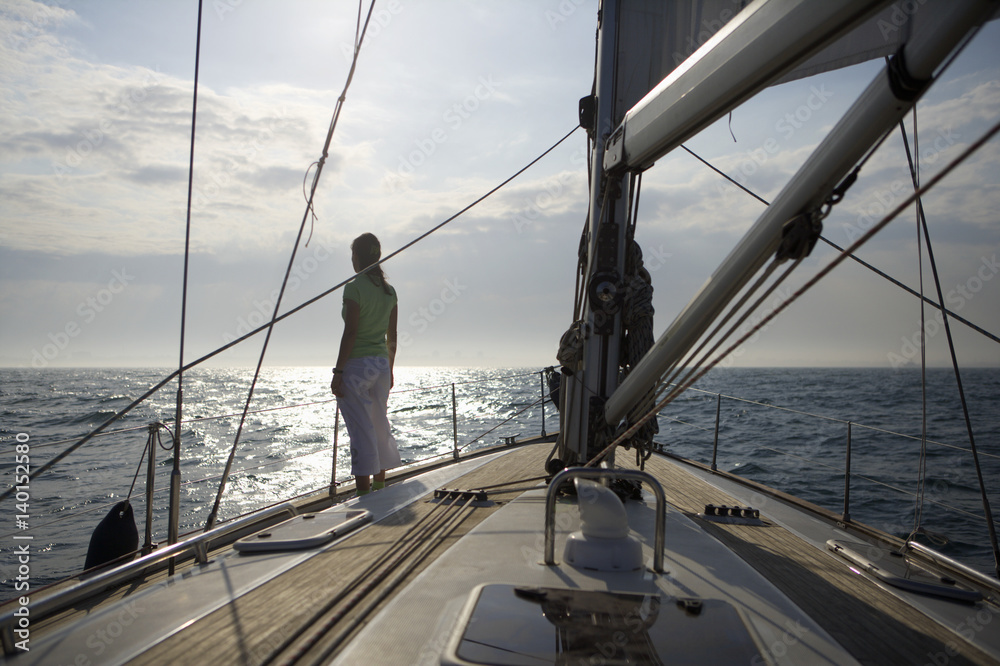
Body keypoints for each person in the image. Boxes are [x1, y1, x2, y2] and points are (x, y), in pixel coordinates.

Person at [330, 233, 401, 495]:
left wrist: (338, 372)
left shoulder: (354, 287)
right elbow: (392, 337)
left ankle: (364, 496)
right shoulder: (389, 291)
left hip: (357, 366)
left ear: (357, 258)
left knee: (361, 430)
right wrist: (390, 369)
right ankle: (380, 487)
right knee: (379, 424)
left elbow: (351, 333)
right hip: (381, 365)